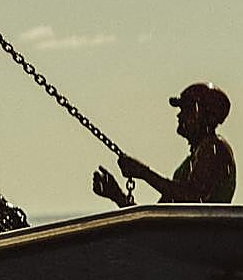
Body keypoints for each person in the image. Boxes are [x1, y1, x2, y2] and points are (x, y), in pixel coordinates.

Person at [93, 82, 235, 206]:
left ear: (204, 115)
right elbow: (156, 219)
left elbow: (194, 198)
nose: (179, 115)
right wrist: (117, 196)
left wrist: (143, 172)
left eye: (186, 110)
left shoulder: (213, 148)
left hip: (203, 230)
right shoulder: (192, 162)